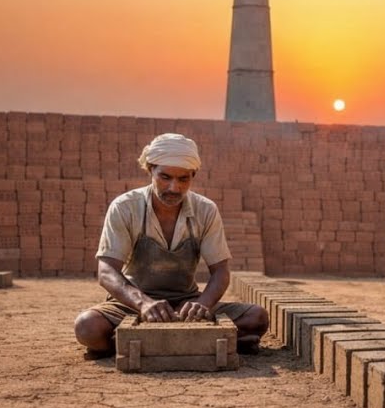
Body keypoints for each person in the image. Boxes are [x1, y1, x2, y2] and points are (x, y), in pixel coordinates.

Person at [73, 132, 269, 359]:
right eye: (165, 177)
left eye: (183, 179)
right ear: (150, 170)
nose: (174, 188)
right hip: (132, 304)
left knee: (257, 317)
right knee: (87, 327)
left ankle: (142, 342)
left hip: (186, 304)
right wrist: (143, 303)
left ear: (193, 175)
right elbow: (106, 271)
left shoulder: (205, 210)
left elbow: (221, 271)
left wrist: (202, 304)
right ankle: (194, 342)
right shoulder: (125, 207)